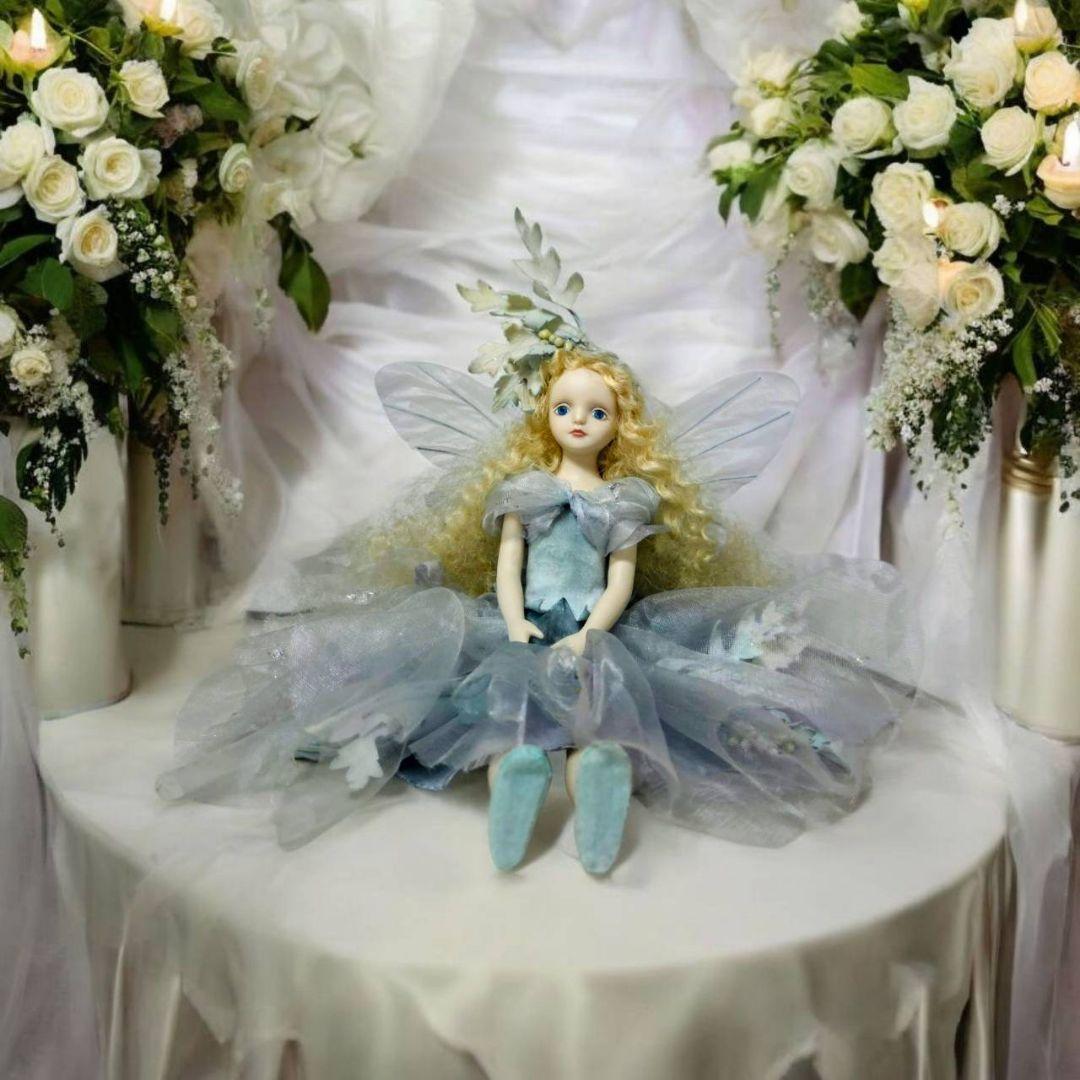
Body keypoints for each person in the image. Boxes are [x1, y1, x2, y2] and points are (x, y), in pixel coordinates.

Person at [158, 211, 916, 875]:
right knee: (510, 716)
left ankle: (598, 778)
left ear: (621, 425)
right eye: (566, 408)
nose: (579, 421)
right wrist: (516, 619)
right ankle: (519, 780)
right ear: (545, 415)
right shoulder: (522, 490)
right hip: (520, 626)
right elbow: (509, 565)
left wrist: (593, 630)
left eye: (597, 412)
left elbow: (621, 578)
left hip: (598, 631)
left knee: (598, 716)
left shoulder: (624, 499)